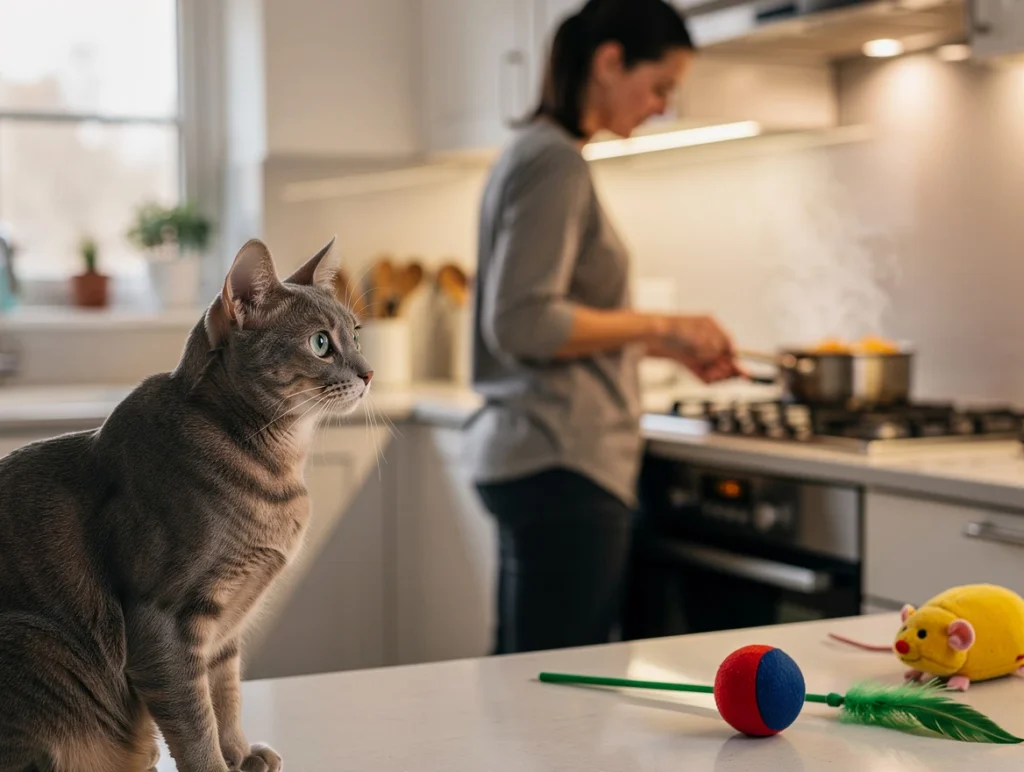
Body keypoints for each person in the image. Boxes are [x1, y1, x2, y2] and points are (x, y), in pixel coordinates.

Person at [463, 0, 742, 656]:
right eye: (661, 86)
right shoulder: (555, 161)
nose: (663, 106)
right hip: (564, 459)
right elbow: (525, 323)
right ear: (609, 61)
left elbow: (549, 321)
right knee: (553, 701)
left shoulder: (535, 153)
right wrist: (664, 322)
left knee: (524, 690)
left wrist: (666, 342)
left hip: (538, 454)